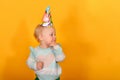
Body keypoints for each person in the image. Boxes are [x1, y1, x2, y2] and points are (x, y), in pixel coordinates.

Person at [26, 6, 65, 80]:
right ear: (41, 37)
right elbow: (29, 62)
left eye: (55, 34)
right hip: (40, 78)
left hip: (55, 78)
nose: (55, 37)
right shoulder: (35, 51)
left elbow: (61, 58)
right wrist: (35, 65)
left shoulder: (56, 48)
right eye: (51, 34)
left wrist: (56, 47)